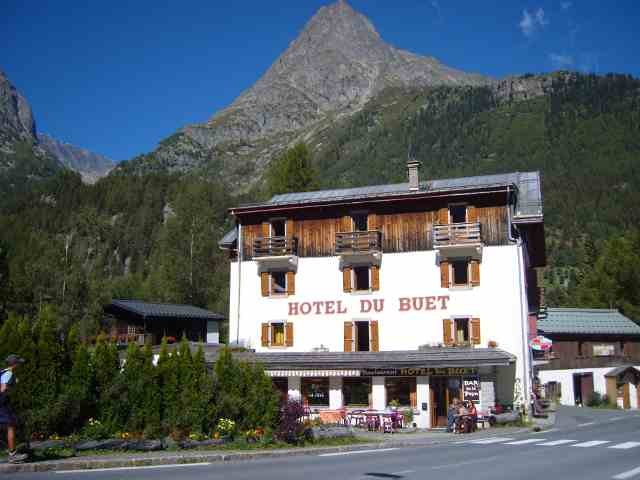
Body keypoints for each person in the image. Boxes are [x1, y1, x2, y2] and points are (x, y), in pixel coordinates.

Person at [0, 354, 28, 464]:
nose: (20, 365)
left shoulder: (2, 372)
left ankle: (14, 451)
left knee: (11, 423)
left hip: (3, 403)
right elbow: (3, 389)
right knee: (10, 425)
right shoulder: (8, 373)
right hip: (2, 403)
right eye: (19, 363)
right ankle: (12, 455)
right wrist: (10, 388)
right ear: (15, 364)